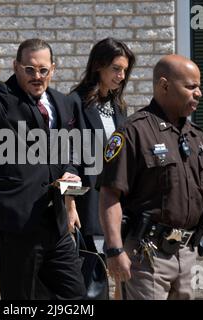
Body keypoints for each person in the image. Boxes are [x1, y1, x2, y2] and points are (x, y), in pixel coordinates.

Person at [98, 54, 203, 300]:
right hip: (145, 256)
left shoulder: (196, 137)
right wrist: (114, 250)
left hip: (187, 254)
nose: (198, 93)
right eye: (191, 86)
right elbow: (110, 194)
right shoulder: (134, 132)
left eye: (199, 86)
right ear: (164, 85)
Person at [0, 39, 85, 299]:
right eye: (29, 69)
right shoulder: (2, 95)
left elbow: (71, 149)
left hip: (56, 222)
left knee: (75, 295)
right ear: (16, 67)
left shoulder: (63, 103)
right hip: (17, 223)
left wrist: (71, 173)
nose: (36, 76)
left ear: (53, 69)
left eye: (43, 70)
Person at [69, 38, 135, 253]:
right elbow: (66, 160)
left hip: (117, 208)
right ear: (98, 65)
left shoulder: (119, 108)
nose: (121, 76)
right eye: (116, 69)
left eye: (124, 70)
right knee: (90, 280)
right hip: (87, 209)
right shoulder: (74, 103)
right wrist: (69, 206)